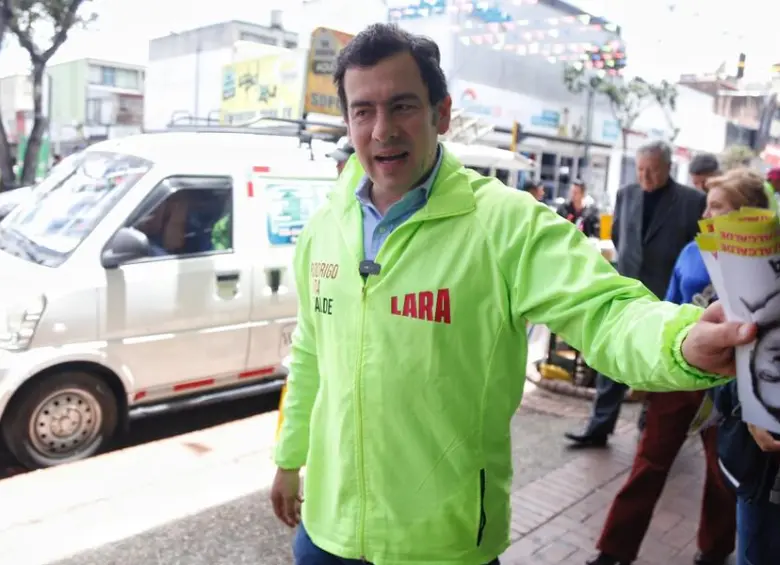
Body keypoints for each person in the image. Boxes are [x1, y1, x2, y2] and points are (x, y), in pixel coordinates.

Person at [270, 24, 756, 565]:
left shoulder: (505, 223)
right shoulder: (324, 229)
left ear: (442, 114)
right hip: (326, 532)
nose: (382, 130)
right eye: (363, 111)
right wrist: (288, 461)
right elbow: (311, 355)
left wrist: (682, 341)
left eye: (402, 105)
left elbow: (603, 308)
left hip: (443, 542)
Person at [586, 167, 770, 565]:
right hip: (680, 372)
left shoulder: (765, 264)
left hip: (731, 386)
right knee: (648, 462)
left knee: (721, 474)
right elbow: (667, 306)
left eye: (717, 208)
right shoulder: (692, 251)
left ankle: (714, 551)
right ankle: (613, 551)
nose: (705, 216)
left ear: (747, 214)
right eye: (706, 206)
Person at [565, 140, 707, 448]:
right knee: (613, 359)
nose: (645, 177)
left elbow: (696, 252)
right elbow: (619, 236)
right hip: (627, 292)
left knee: (658, 365)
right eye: (641, 169)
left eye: (653, 170)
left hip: (667, 297)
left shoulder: (692, 201)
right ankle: (599, 427)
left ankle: (651, 429)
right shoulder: (626, 195)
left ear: (668, 167)